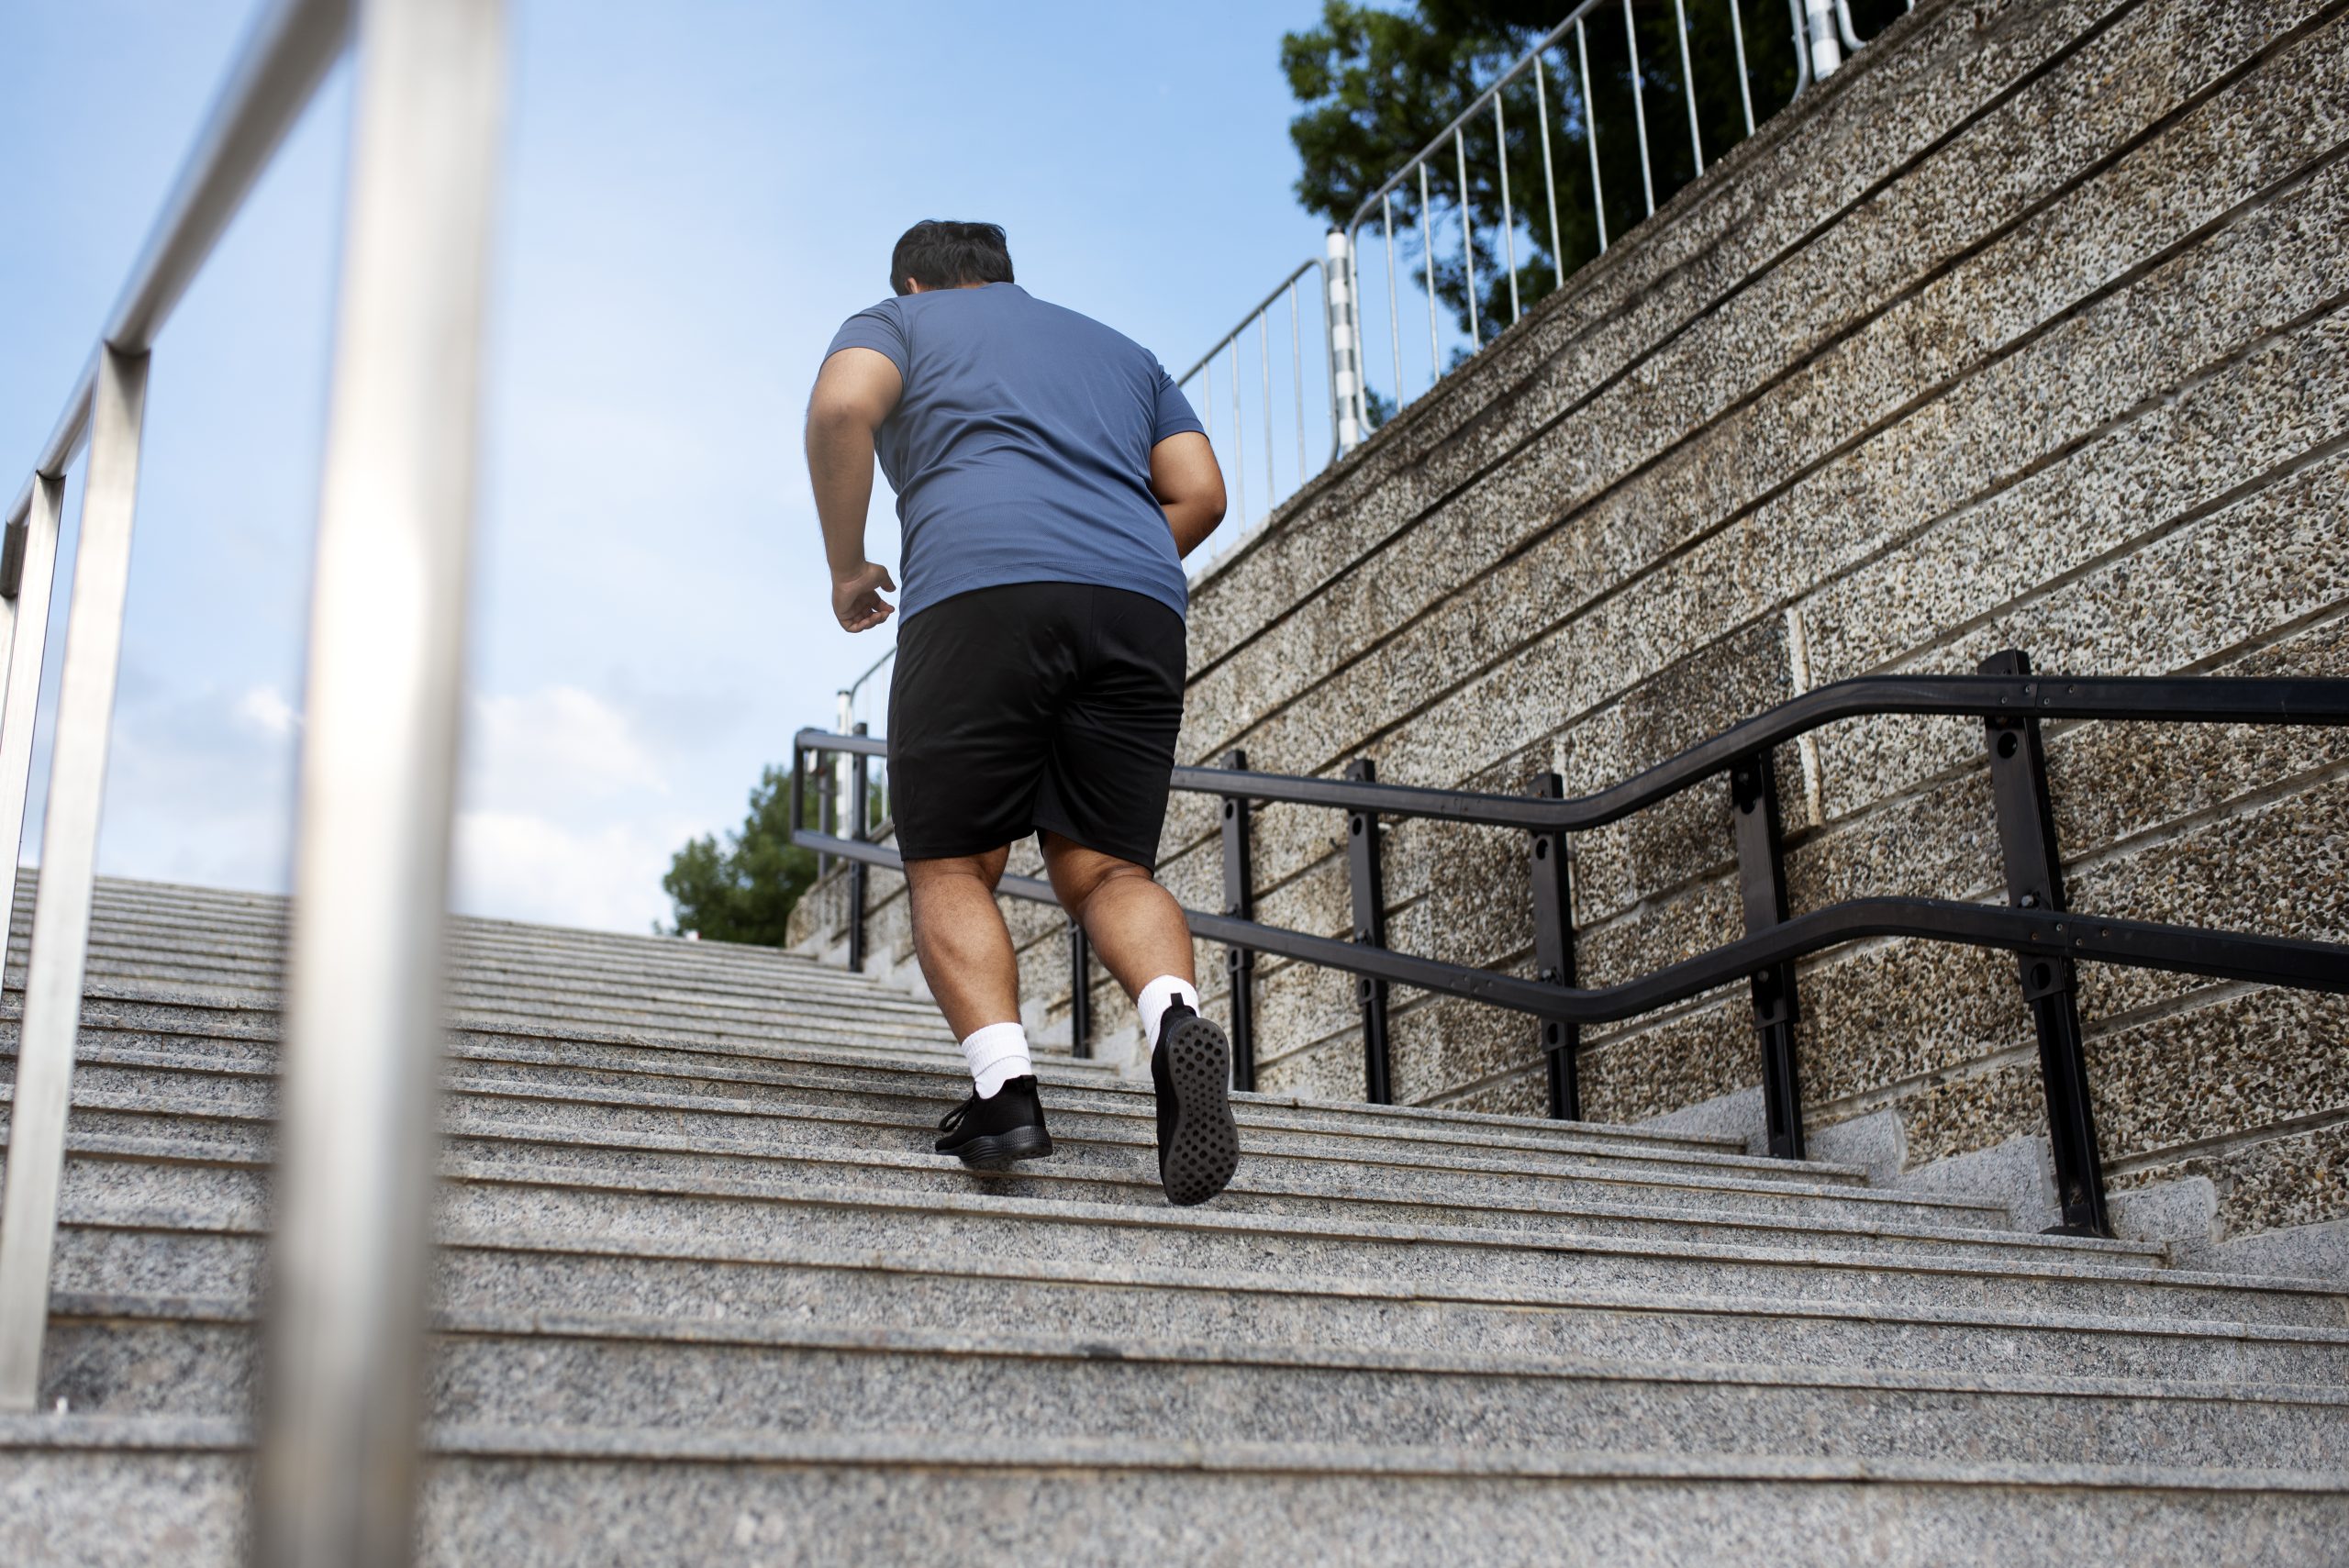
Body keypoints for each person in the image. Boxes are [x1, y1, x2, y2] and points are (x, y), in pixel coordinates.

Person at [804, 219, 1240, 1207]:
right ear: (1003, 276)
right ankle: (1173, 1018)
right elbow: (1202, 494)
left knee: (952, 858)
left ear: (914, 283)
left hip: (978, 589)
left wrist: (848, 567)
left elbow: (840, 409)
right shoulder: (1125, 355)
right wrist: (1108, 549)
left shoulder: (897, 323)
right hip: (1136, 603)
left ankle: (1007, 1095)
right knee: (1107, 866)